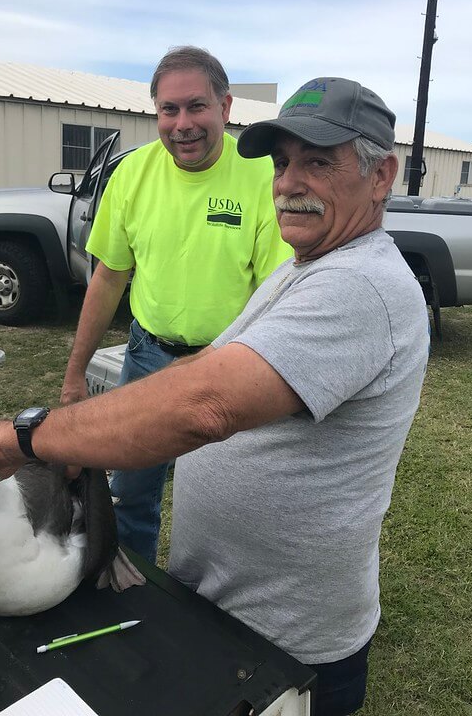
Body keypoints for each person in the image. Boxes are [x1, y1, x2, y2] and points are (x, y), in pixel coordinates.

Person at [0, 76, 430, 716]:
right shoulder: (305, 266)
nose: (288, 183)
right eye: (282, 164)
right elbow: (210, 363)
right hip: (225, 608)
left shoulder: (360, 288)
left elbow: (207, 405)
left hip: (286, 644)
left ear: (382, 175)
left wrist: (20, 436)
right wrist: (89, 426)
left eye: (318, 162)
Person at [60, 46, 290, 564]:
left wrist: (226, 374)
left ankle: (210, 608)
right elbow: (108, 278)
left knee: (222, 504)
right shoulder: (132, 174)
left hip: (230, 364)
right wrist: (75, 375)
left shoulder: (262, 176)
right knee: (132, 493)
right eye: (169, 110)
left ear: (226, 107)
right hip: (147, 359)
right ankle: (133, 587)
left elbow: (274, 295)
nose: (182, 124)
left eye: (196, 107)